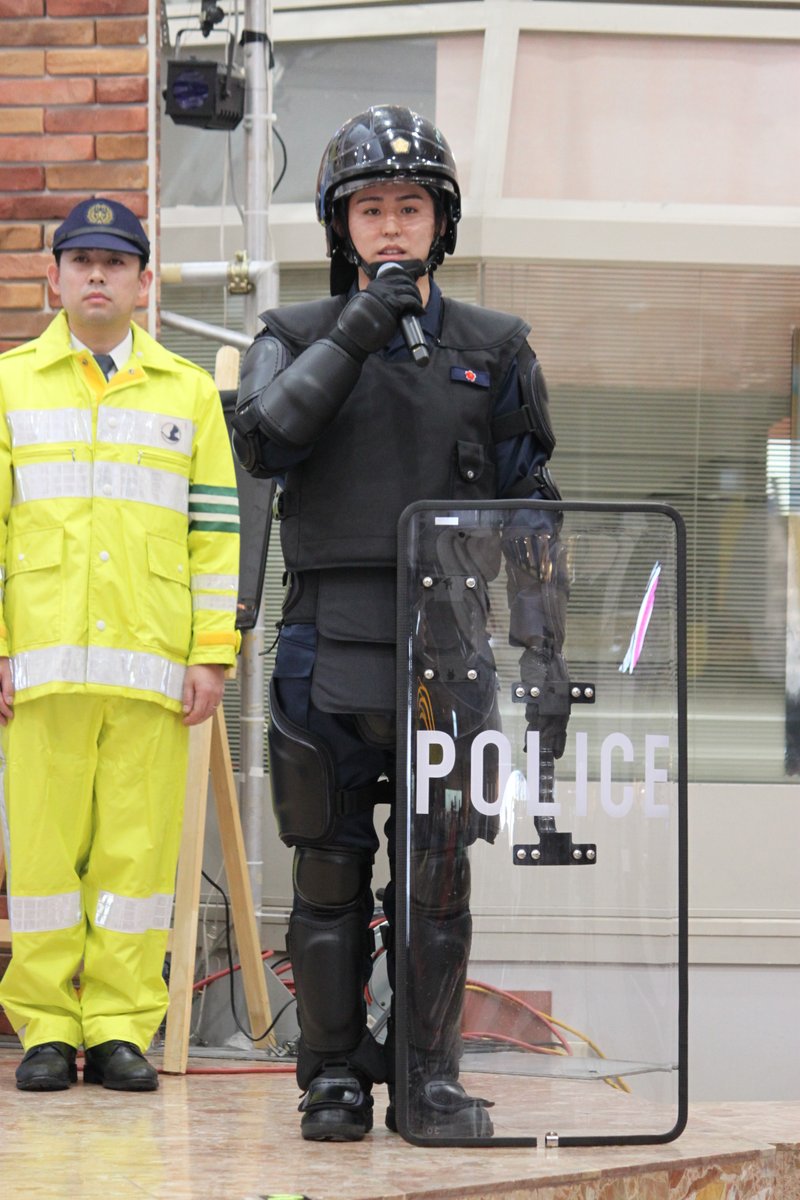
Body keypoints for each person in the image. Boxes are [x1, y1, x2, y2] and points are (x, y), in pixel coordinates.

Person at [233, 105, 566, 1141]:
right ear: (341, 226)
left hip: (451, 652)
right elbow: (266, 443)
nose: (389, 227)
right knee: (326, 878)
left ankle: (428, 1076)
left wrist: (546, 655)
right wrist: (362, 323)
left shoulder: (496, 347)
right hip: (321, 644)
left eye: (408, 207)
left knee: (438, 882)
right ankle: (329, 1076)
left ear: (439, 221)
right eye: (368, 209)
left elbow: (534, 513)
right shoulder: (289, 335)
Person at [0, 198, 240, 1093]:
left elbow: (214, 530)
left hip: (151, 673)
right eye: (80, 260)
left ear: (145, 282)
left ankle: (118, 1027)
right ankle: (47, 1029)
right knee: (43, 861)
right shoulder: (10, 384)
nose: (96, 275)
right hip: (41, 670)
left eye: (115, 261)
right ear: (52, 278)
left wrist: (212, 651)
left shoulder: (185, 395)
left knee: (135, 862)